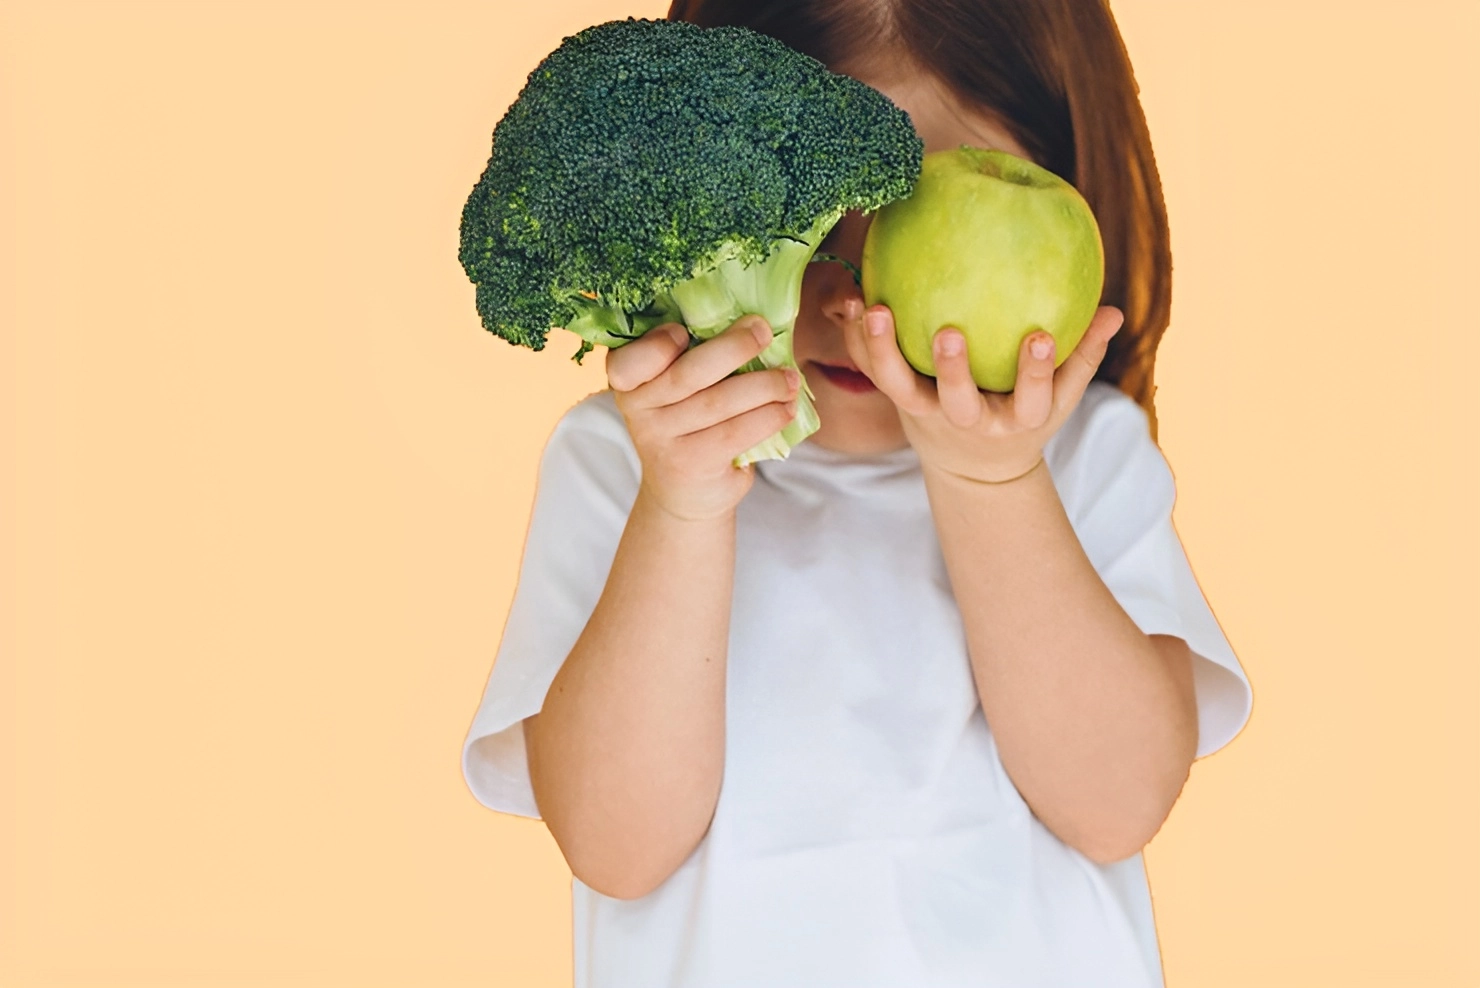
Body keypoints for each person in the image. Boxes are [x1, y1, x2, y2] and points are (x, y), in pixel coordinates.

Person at [461, 1, 1254, 984]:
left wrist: (993, 478)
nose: (845, 294)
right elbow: (617, 849)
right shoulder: (622, 466)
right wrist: (683, 507)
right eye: (800, 216)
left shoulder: (1085, 454)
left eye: (915, 217)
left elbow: (1117, 803)